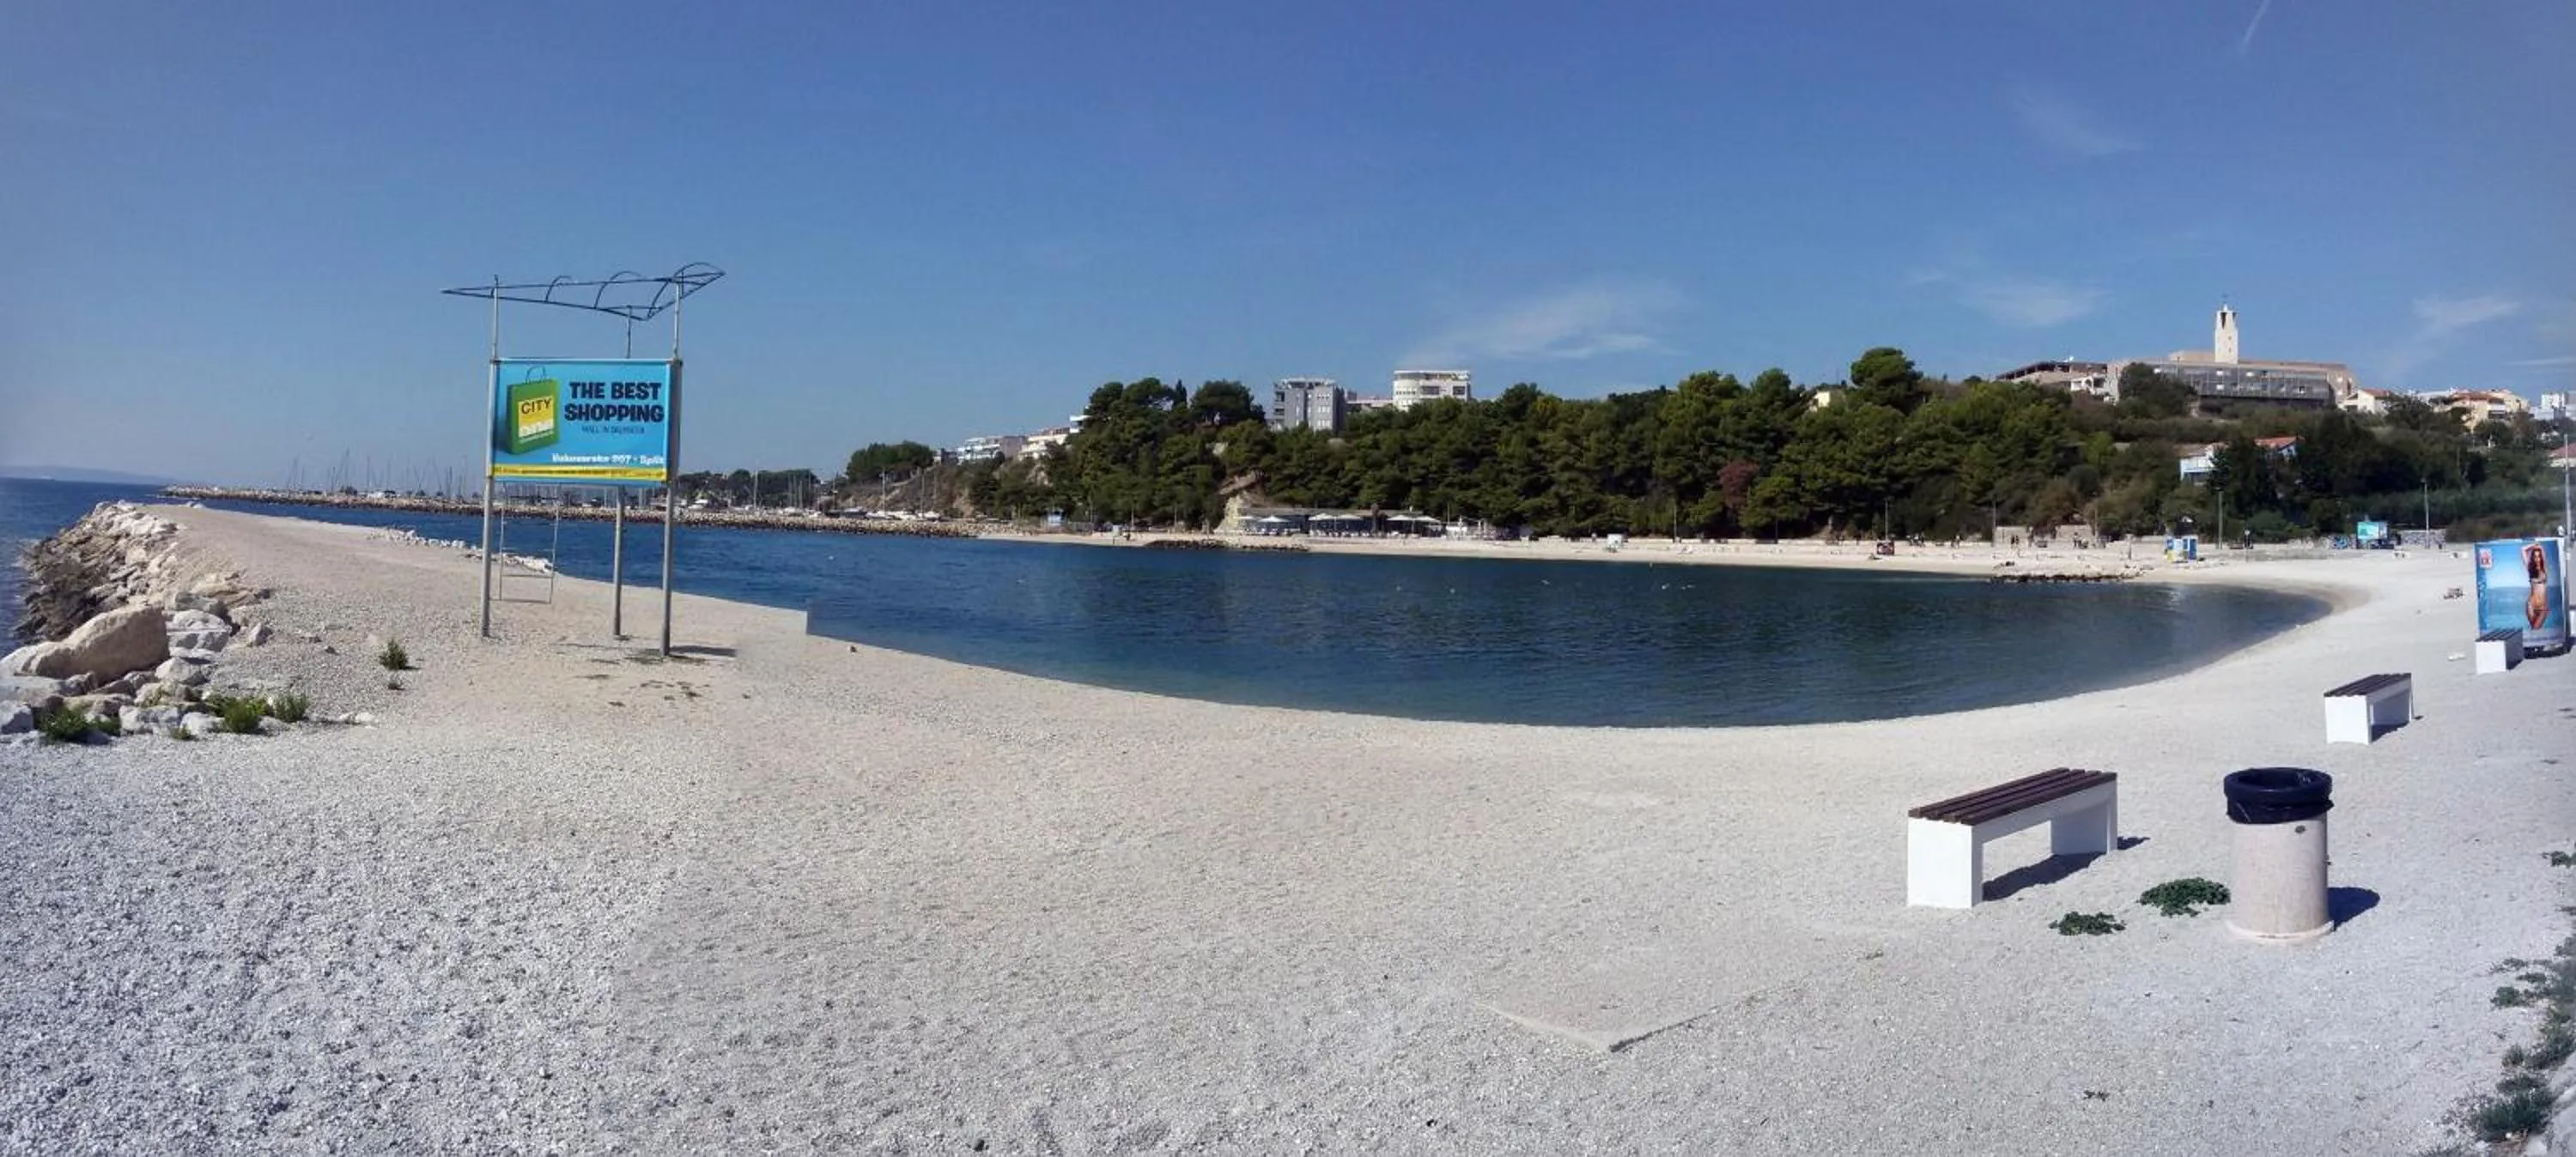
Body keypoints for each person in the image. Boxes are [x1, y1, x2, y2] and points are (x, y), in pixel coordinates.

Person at [2525, 542, 2554, 631]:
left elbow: (2542, 549)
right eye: (2535, 556)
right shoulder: (2530, 570)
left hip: (2543, 607)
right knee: (2534, 631)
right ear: (2533, 558)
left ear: (2541, 557)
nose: (2537, 559)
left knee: (2535, 629)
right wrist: (2533, 545)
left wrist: (2539, 546)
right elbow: (2523, 550)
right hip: (2531, 605)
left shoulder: (2544, 569)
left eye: (2539, 556)